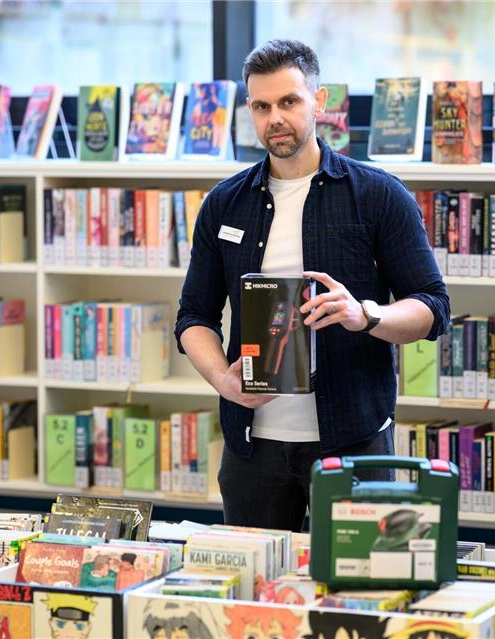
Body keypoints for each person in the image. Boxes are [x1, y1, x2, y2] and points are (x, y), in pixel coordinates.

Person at [175, 39, 450, 532]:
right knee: (254, 597)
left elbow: (434, 309)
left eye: (289, 101)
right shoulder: (224, 204)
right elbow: (193, 317)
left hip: (352, 445)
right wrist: (222, 380)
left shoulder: (378, 195)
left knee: (359, 592)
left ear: (319, 102)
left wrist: (367, 314)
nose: (274, 118)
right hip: (252, 447)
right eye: (261, 106)